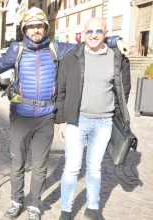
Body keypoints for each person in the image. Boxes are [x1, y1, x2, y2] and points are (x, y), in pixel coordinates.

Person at [0, 7, 130, 220]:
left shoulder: (56, 47)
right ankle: (16, 201)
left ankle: (34, 205)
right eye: (30, 27)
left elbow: (89, 41)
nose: (35, 30)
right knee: (17, 162)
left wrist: (116, 40)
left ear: (45, 28)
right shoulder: (17, 49)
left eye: (39, 26)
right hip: (21, 115)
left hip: (47, 116)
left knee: (40, 165)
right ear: (25, 30)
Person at [56, 17, 131, 220]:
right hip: (76, 121)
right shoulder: (70, 58)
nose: (94, 35)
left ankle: (93, 207)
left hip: (104, 123)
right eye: (90, 31)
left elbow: (124, 92)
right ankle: (66, 210)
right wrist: (60, 121)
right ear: (84, 33)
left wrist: (117, 117)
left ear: (106, 34)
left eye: (99, 31)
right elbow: (60, 92)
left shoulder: (119, 59)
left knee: (95, 167)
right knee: (71, 168)